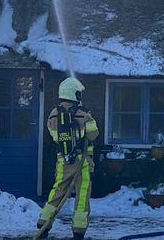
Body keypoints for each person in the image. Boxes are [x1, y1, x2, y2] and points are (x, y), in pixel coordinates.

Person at [34, 77, 99, 240]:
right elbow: (93, 135)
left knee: (58, 190)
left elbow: (53, 135)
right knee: (82, 193)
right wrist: (90, 119)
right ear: (75, 94)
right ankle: (78, 230)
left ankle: (43, 223)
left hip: (63, 160)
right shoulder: (83, 115)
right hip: (83, 162)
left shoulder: (53, 115)